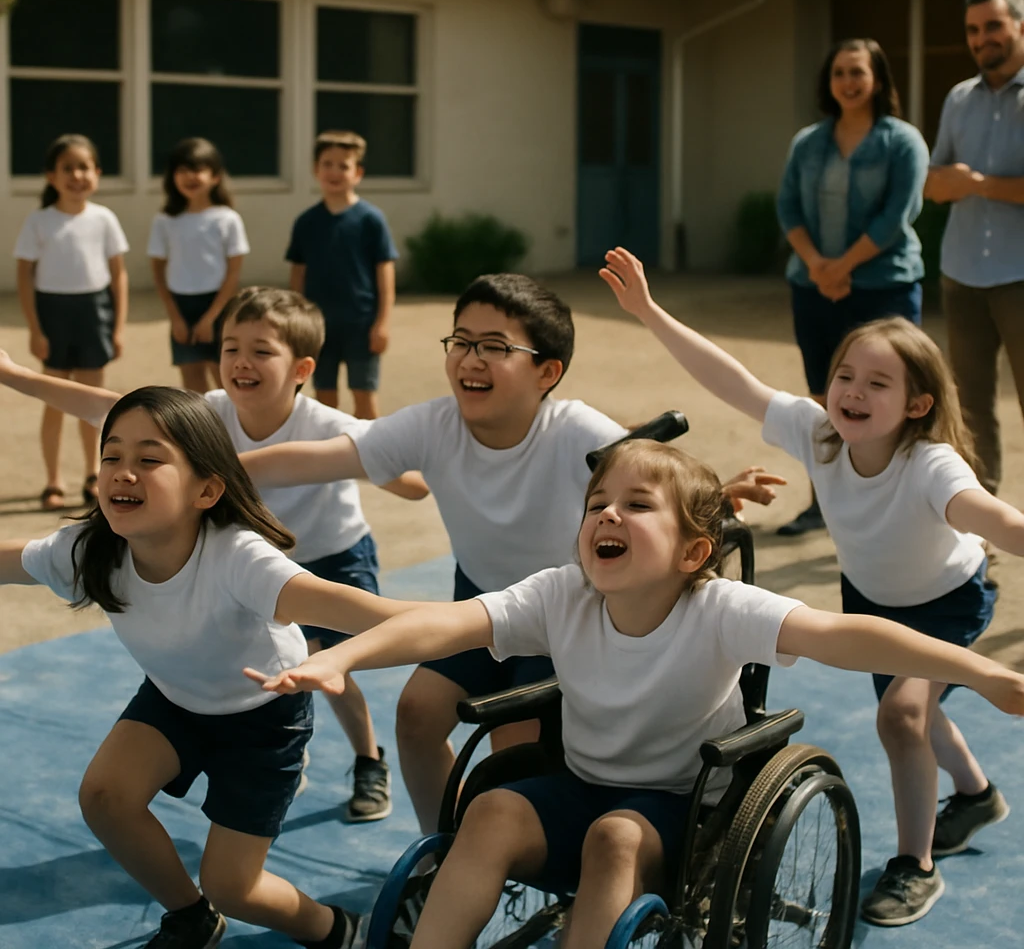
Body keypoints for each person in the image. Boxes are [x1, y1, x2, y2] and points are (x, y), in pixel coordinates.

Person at [246, 440, 1024, 949]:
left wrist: (984, 672)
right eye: (596, 504)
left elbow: (848, 636)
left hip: (681, 809)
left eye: (636, 504)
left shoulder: (721, 610)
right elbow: (446, 625)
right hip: (581, 785)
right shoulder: (562, 594)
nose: (607, 513)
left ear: (693, 551)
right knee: (489, 810)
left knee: (615, 838)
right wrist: (342, 657)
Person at [239, 273, 780, 842]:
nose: (471, 359)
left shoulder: (575, 431)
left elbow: (658, 479)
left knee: (513, 750)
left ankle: (525, 850)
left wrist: (718, 493)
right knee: (417, 712)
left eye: (496, 347)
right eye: (462, 341)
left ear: (547, 372)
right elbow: (319, 458)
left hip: (563, 619)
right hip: (482, 607)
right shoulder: (433, 425)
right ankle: (441, 848)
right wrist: (215, 468)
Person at [600, 246, 1024, 925]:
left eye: (878, 384)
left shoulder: (931, 464)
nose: (853, 391)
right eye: (846, 375)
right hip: (873, 600)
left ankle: (914, 866)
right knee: (917, 708)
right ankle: (975, 795)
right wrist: (649, 312)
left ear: (918, 403)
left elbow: (993, 518)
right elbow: (730, 380)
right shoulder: (821, 433)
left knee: (902, 715)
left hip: (948, 598)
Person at [0, 386, 436, 948]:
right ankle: (192, 916)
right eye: (111, 456)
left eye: (149, 459)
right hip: (174, 699)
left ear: (206, 488)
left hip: (263, 717)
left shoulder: (239, 557)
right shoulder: (93, 548)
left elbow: (369, 613)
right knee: (105, 796)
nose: (122, 473)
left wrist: (491, 624)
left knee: (233, 885)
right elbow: (11, 558)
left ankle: (338, 931)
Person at [0, 286, 430, 823]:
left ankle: (369, 758)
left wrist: (373, 464)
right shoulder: (208, 414)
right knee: (260, 656)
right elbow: (108, 407)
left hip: (330, 555)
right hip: (247, 557)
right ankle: (284, 749)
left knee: (321, 653)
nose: (240, 362)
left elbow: (413, 484)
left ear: (301, 368)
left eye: (260, 350)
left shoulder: (327, 424)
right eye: (230, 348)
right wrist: (12, 375)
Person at [775, 38, 929, 535]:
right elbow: (789, 208)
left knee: (893, 399)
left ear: (879, 79)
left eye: (858, 72)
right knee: (825, 397)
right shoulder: (808, 142)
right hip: (812, 286)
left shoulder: (902, 141)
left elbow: (897, 216)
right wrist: (820, 265)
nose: (848, 81)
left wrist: (844, 266)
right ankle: (825, 505)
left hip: (884, 288)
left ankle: (897, 505)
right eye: (840, 72)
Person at [924, 0, 1024, 496]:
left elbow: (967, 183)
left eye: (992, 26)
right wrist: (940, 183)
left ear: (1019, 26)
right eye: (972, 30)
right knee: (971, 408)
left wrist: (979, 184)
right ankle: (985, 530)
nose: (982, 38)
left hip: (1019, 276)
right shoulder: (959, 98)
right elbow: (936, 179)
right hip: (961, 273)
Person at [14, 133, 129, 511]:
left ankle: (94, 476)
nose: (77, 175)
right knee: (55, 401)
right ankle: (53, 480)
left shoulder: (104, 218)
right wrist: (35, 327)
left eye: (84, 167)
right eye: (68, 168)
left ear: (96, 173)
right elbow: (25, 276)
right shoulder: (40, 221)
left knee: (92, 404)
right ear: (51, 176)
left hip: (93, 314)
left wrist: (118, 325)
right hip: (54, 315)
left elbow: (118, 274)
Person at [288, 130, 397, 419]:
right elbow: (298, 273)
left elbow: (385, 274)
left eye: (343, 165)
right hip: (319, 326)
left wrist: (382, 323)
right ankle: (331, 459)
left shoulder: (371, 220)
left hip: (361, 324)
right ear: (316, 170)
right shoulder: (306, 222)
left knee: (364, 394)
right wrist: (295, 321)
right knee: (324, 398)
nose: (334, 171)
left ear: (357, 172)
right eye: (327, 164)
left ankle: (373, 457)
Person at [150, 137, 249, 394]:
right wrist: (175, 317)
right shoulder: (165, 220)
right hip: (181, 306)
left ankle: (230, 434)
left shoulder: (227, 219)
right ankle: (200, 434)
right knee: (192, 385)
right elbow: (159, 270)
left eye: (198, 169)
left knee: (226, 380)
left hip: (218, 305)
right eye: (182, 170)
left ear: (215, 176)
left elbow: (233, 272)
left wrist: (211, 317)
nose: (190, 177)